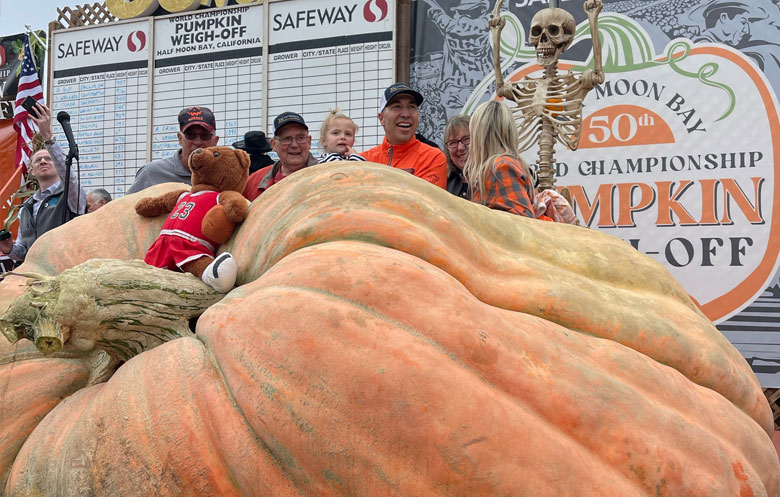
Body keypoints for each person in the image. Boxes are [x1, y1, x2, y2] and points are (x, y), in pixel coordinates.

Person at [0, 103, 86, 262]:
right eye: (38, 160)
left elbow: (69, 177)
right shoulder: (25, 208)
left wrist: (48, 138)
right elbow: (24, 250)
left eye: (49, 159)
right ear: (31, 170)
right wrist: (10, 249)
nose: (43, 162)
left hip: (64, 270)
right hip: (34, 275)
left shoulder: (70, 194)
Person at [361, 83, 447, 189]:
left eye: (412, 107)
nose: (406, 114)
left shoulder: (432, 158)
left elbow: (424, 203)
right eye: (397, 107)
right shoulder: (364, 160)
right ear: (382, 118)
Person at [463, 100, 535, 218]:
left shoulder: (501, 167)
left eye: (471, 135)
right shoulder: (499, 165)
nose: (470, 143)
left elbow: (524, 223)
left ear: (480, 135)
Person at [126, 106, 219, 194]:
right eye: (190, 135)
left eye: (205, 135)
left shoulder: (225, 174)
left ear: (215, 140)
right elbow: (126, 208)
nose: (198, 142)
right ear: (180, 139)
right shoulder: (151, 173)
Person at [242, 112, 318, 202]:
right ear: (273, 145)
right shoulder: (253, 182)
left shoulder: (328, 176)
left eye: (300, 138)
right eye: (286, 139)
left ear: (309, 141)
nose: (294, 145)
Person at [443, 114, 471, 199]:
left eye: (466, 139)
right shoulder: (445, 183)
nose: (460, 148)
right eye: (453, 143)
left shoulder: (494, 175)